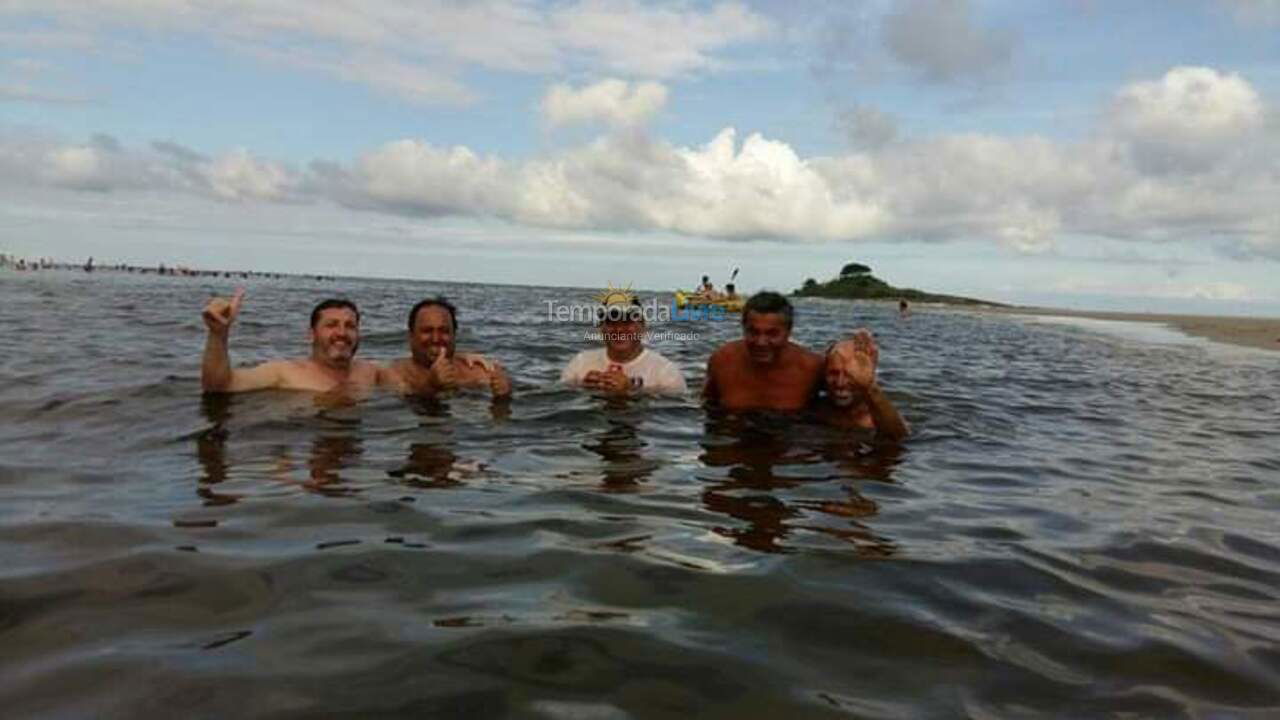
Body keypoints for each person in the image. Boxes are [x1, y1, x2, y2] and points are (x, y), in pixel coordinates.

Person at [201, 290, 380, 393]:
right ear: (311, 334)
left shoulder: (371, 372)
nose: (342, 333)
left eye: (350, 326)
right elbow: (219, 386)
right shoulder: (282, 373)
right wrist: (218, 334)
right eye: (331, 325)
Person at [703, 291, 824, 411]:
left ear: (788, 331)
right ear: (743, 328)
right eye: (753, 332)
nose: (761, 342)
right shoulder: (722, 361)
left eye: (772, 334)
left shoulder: (812, 368)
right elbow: (707, 403)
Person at [385, 297, 512, 399]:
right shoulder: (393, 374)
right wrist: (431, 386)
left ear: (454, 335)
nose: (436, 339)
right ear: (411, 336)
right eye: (427, 331)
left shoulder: (479, 372)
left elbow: (499, 424)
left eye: (444, 331)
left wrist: (504, 396)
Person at [562, 296, 687, 397]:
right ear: (601, 328)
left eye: (627, 322)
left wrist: (630, 392)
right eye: (612, 322)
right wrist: (581, 389)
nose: (619, 330)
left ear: (643, 327)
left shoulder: (665, 373)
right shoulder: (579, 364)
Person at [821, 330, 909, 441]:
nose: (840, 383)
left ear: (869, 373)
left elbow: (900, 438)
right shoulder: (817, 408)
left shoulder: (877, 418)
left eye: (851, 374)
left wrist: (870, 387)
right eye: (833, 373)